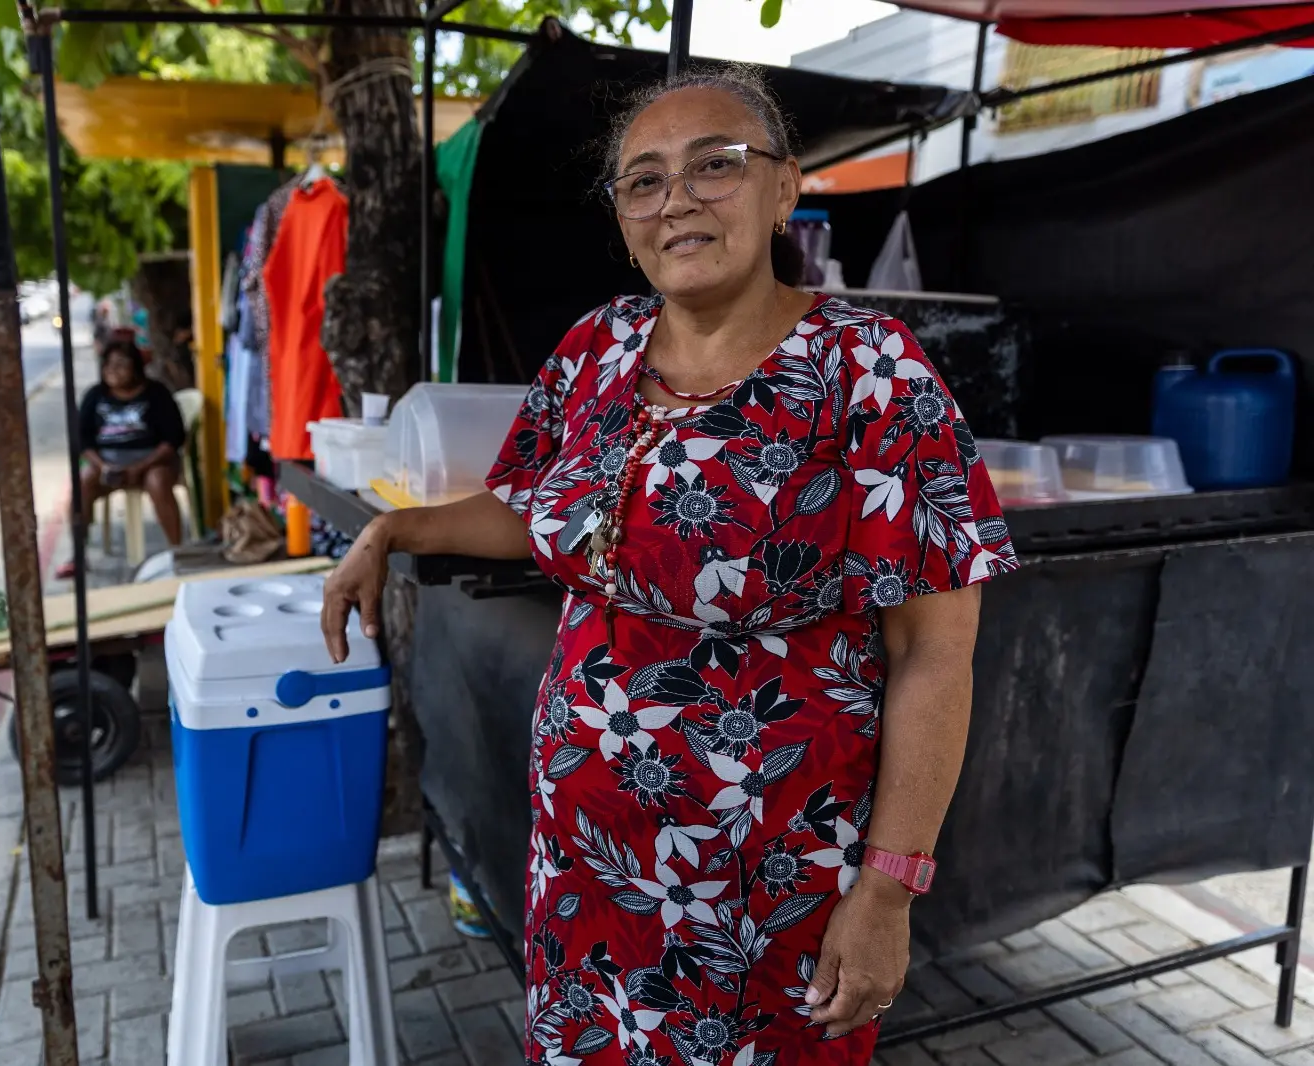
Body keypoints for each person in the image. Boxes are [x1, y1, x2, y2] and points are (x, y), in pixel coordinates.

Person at [323, 67, 1019, 1064]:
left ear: (785, 190)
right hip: (587, 874)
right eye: (642, 181)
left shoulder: (870, 369)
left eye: (715, 166)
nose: (676, 198)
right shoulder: (595, 349)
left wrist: (886, 889)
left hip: (767, 889)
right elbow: (540, 508)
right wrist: (393, 532)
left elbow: (934, 655)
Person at [66, 336, 187, 569]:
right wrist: (103, 467)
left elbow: (173, 440)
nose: (114, 371)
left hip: (152, 462)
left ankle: (177, 551)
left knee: (158, 481)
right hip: (107, 464)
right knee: (81, 484)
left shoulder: (157, 393)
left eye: (121, 364)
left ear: (135, 367)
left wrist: (140, 467)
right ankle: (78, 554)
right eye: (108, 365)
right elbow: (83, 441)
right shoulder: (95, 396)